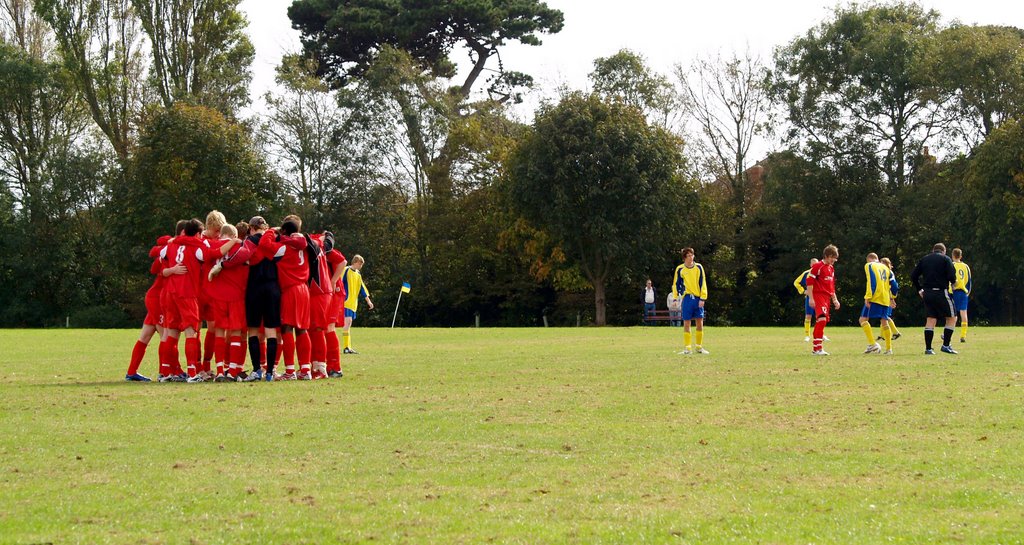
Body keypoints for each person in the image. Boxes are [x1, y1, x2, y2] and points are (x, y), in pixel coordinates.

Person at [205, 224, 256, 382]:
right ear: (235, 235)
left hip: (218, 296)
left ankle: (220, 371)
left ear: (221, 234)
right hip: (236, 296)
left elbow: (207, 255)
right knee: (235, 333)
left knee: (219, 332)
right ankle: (233, 371)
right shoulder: (241, 246)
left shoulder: (214, 245)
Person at [124, 235, 172, 381]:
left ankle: (131, 372)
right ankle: (164, 372)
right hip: (157, 299)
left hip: (154, 297)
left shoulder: (165, 258)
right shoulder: (164, 259)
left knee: (145, 336)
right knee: (166, 335)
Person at [242, 216, 281, 382]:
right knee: (271, 330)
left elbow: (243, 259)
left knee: (253, 330)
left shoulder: (249, 241)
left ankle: (257, 370)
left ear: (251, 228)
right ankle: (270, 372)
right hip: (272, 287)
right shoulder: (274, 239)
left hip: (255, 287)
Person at [910, 243, 958, 355]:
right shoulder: (946, 259)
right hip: (941, 292)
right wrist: (954, 284)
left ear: (933, 250)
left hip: (927, 292)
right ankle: (946, 345)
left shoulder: (925, 259)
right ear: (944, 251)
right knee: (952, 317)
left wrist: (919, 289)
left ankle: (928, 349)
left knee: (931, 319)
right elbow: (951, 275)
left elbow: (913, 276)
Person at [805, 245, 840, 356]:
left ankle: (817, 348)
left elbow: (831, 286)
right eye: (832, 257)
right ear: (826, 256)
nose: (834, 260)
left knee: (822, 321)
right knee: (822, 320)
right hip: (818, 295)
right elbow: (809, 282)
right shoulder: (817, 267)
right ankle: (817, 349)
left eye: (835, 258)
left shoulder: (831, 268)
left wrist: (835, 299)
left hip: (826, 297)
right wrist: (811, 298)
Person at [672, 247, 708, 354]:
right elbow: (676, 284)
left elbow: (703, 283)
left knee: (699, 322)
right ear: (684, 258)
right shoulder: (680, 269)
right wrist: (675, 297)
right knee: (686, 323)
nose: (691, 257)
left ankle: (699, 347)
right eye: (688, 256)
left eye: (692, 255)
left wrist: (703, 298)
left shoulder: (699, 267)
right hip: (687, 298)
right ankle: (687, 348)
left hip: (698, 298)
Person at [858, 253, 893, 354]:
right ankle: (889, 349)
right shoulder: (886, 268)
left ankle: (873, 344)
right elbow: (894, 284)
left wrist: (868, 296)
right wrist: (892, 298)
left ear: (869, 259)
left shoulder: (869, 265)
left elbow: (871, 281)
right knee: (884, 322)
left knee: (863, 320)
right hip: (885, 298)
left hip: (875, 297)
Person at [341, 255, 374, 354]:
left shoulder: (358, 274)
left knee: (349, 323)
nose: (361, 266)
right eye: (360, 264)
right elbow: (339, 283)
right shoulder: (346, 270)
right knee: (347, 322)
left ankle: (348, 347)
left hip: (353, 303)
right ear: (356, 262)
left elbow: (362, 288)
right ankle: (346, 347)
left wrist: (368, 301)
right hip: (345, 302)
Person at [793, 258, 819, 342]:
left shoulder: (821, 273)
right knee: (808, 316)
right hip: (810, 298)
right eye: (813, 264)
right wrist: (803, 291)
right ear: (810, 265)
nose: (815, 266)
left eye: (816, 264)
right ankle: (807, 335)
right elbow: (796, 282)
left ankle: (820, 334)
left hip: (819, 297)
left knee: (820, 317)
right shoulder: (806, 273)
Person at [950, 248, 972, 343]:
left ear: (952, 256)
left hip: (953, 292)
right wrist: (968, 292)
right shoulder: (966, 266)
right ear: (961, 256)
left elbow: (949, 279)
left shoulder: (951, 265)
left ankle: (948, 332)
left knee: (952, 315)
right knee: (964, 313)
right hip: (963, 292)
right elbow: (969, 280)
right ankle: (963, 335)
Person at [879, 257, 903, 341]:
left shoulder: (888, 273)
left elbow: (893, 287)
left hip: (888, 297)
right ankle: (882, 335)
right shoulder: (884, 272)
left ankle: (896, 332)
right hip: (885, 296)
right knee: (883, 316)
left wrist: (892, 298)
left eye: (882, 263)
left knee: (885, 316)